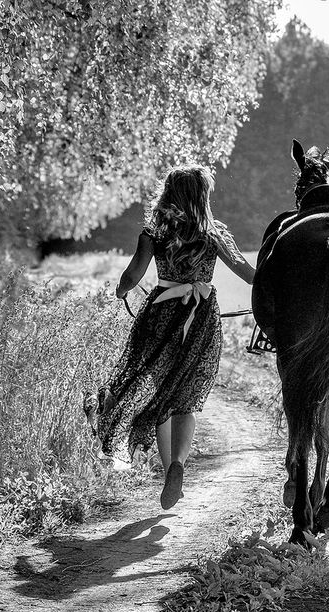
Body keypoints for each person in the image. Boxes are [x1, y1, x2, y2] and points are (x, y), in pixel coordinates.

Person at [96, 165, 255, 510]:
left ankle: (169, 468)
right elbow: (248, 274)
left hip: (162, 314)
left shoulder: (154, 233)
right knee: (188, 396)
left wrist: (121, 290)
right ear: (202, 196)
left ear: (169, 193)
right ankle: (179, 465)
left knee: (161, 393)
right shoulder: (215, 234)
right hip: (201, 316)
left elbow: (132, 275)